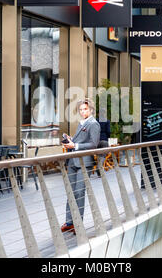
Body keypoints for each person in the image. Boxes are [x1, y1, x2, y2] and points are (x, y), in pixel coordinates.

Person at [60, 99, 100, 234]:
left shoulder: (94, 124)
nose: (83, 112)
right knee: (71, 192)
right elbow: (81, 140)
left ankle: (78, 224)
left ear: (91, 110)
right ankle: (70, 222)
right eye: (81, 109)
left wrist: (75, 145)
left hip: (84, 163)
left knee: (79, 192)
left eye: (85, 109)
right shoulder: (81, 123)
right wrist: (71, 140)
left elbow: (93, 144)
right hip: (72, 161)